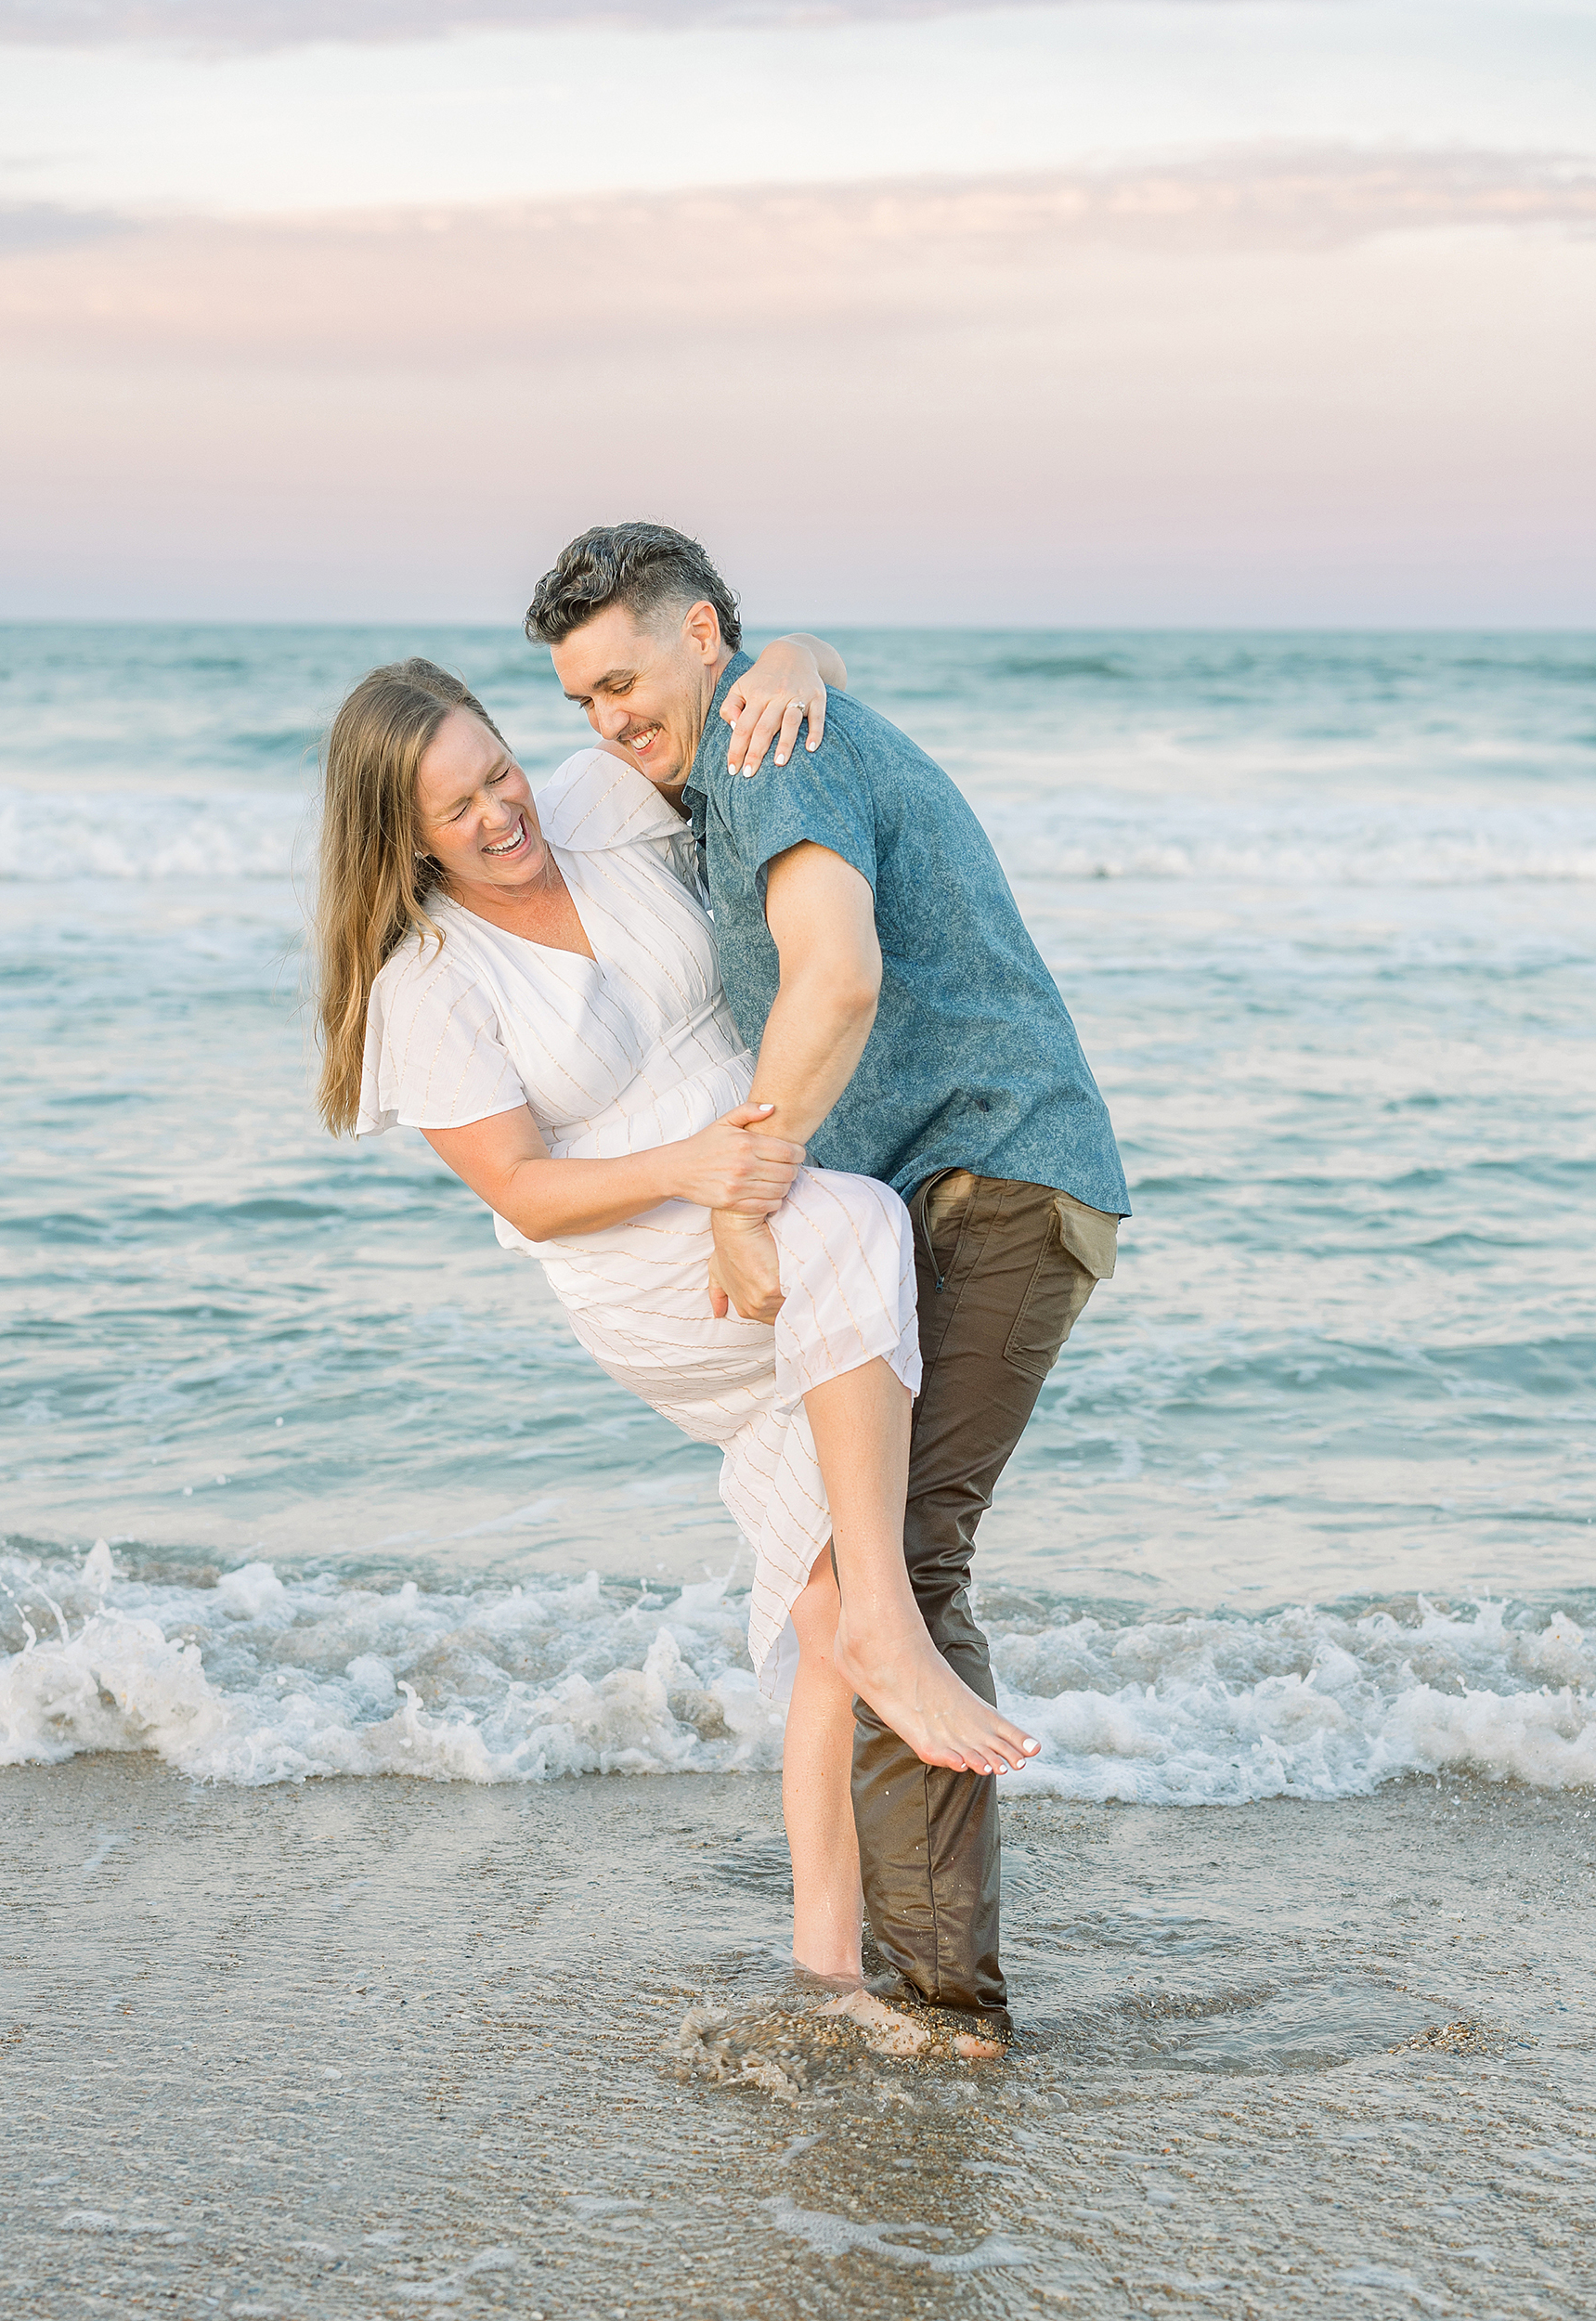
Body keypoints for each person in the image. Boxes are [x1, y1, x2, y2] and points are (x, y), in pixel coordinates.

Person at [312, 637, 1038, 2050]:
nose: (501, 813)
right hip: (650, 1256)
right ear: (398, 841)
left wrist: (799, 657)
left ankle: (824, 1959)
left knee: (817, 1578)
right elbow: (525, 1191)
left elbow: (716, 736)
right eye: (454, 811)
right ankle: (897, 1625)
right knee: (858, 1232)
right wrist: (703, 1180)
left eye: (496, 769)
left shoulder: (591, 799)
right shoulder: (427, 983)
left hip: (761, 1184)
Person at [527, 524, 1131, 2055]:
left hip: (989, 1180)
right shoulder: (761, 719)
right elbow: (797, 682)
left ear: (705, 633)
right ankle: (880, 1973)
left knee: (896, 1583)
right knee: (864, 1577)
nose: (607, 720)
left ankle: (948, 2017)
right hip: (955, 1189)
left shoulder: (760, 753)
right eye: (581, 700)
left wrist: (745, 1201)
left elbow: (837, 975)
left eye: (623, 680)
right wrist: (801, 655)